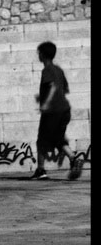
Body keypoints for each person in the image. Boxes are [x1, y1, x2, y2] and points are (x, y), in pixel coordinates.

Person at [32, 41, 81, 181]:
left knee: (41, 141)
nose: (38, 55)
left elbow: (53, 86)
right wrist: (43, 97)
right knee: (57, 138)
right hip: (65, 109)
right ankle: (73, 159)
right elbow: (64, 89)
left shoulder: (47, 70)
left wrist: (46, 103)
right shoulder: (58, 70)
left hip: (52, 111)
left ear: (42, 54)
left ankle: (41, 170)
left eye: (39, 53)